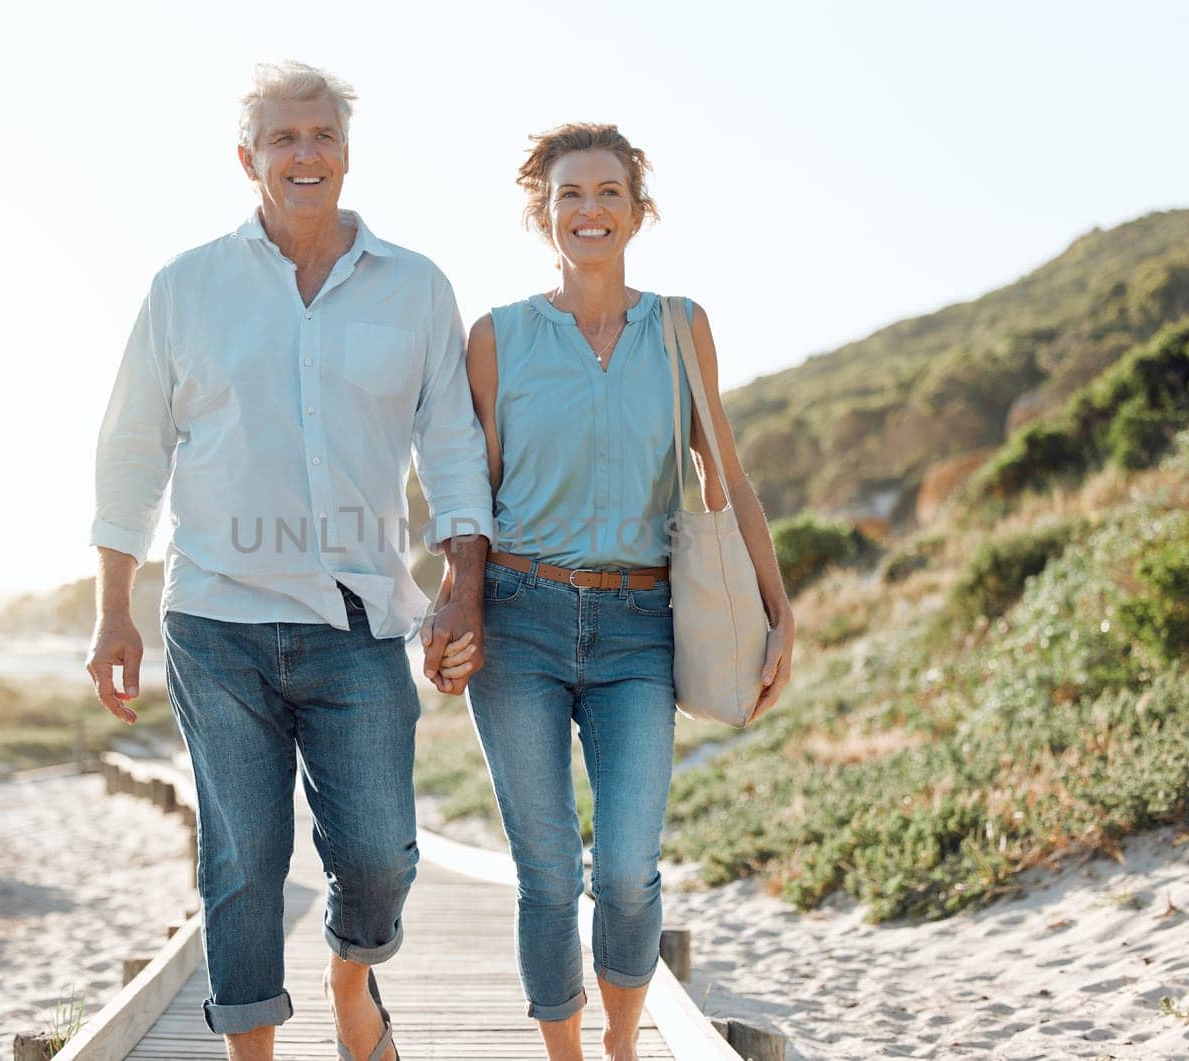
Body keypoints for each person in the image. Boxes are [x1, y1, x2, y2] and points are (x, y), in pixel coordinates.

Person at [86, 62, 493, 1061]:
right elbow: (132, 447)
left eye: (320, 135)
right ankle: (252, 1049)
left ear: (345, 153)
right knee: (243, 855)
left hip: (357, 621)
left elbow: (450, 445)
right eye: (282, 137)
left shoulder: (416, 287)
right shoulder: (185, 288)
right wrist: (113, 606)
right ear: (247, 158)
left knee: (379, 854)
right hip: (214, 616)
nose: (303, 152)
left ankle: (351, 975)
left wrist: (462, 581)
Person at [427, 123, 796, 1061]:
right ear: (542, 213)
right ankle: (567, 1054)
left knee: (628, 869)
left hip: (640, 626)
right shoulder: (498, 337)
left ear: (638, 211)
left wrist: (778, 605)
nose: (588, 211)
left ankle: (623, 1045)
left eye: (606, 194)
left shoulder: (680, 326)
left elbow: (731, 477)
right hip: (521, 619)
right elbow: (473, 495)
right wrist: (454, 599)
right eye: (568, 196)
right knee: (549, 873)